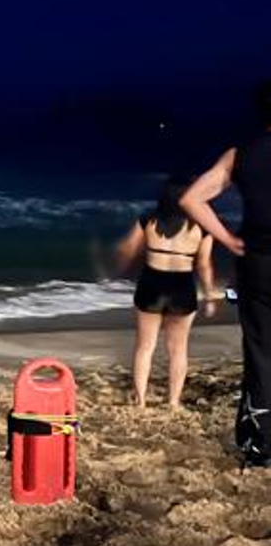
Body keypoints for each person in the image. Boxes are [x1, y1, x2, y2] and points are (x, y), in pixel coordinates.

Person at [181, 83, 271, 467]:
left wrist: (229, 240)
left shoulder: (241, 155)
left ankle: (259, 444)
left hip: (259, 263)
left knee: (261, 351)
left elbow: (192, 199)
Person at [116, 178, 216, 409]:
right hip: (182, 287)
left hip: (151, 284)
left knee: (144, 347)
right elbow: (204, 265)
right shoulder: (201, 226)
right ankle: (172, 402)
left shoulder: (147, 220)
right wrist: (210, 296)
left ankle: (140, 400)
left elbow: (128, 249)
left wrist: (121, 263)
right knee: (178, 350)